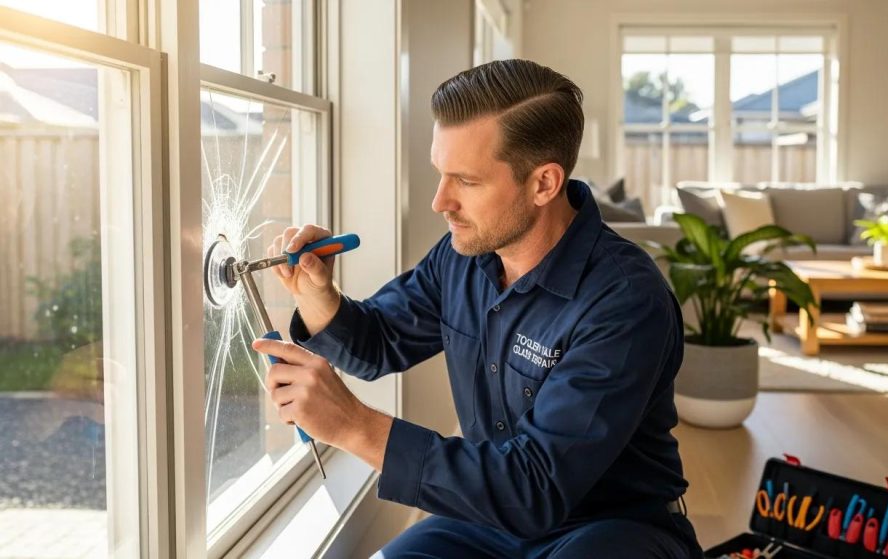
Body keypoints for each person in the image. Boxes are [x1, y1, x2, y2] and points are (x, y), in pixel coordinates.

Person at [252, 59, 701, 558]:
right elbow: (377, 344)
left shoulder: (625, 300)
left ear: (543, 184)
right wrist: (317, 294)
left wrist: (354, 426)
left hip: (613, 527)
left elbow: (536, 489)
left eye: (465, 180)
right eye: (440, 173)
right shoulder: (461, 258)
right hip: (490, 519)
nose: (440, 201)